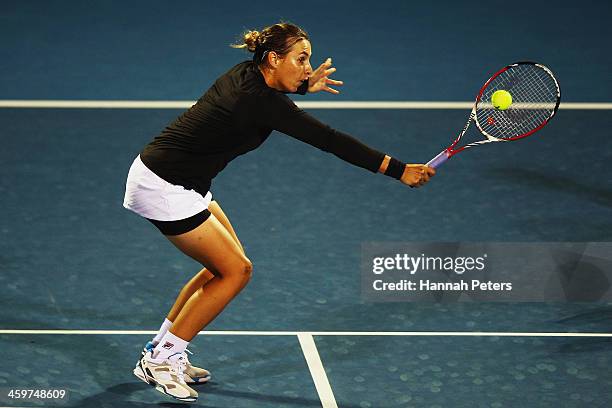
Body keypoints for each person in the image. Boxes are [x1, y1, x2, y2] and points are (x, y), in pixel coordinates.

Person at [124, 22, 435, 402]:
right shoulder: (260, 101)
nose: (308, 67)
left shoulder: (250, 76)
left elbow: (279, 104)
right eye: (301, 59)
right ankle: (161, 359)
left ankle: (163, 347)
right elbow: (329, 140)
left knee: (221, 267)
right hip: (162, 185)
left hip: (183, 180)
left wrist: (304, 86)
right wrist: (399, 170)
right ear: (273, 59)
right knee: (236, 271)